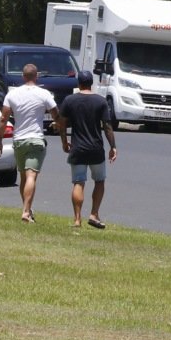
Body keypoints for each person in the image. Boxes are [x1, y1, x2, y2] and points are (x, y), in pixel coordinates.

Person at [0, 62, 59, 224]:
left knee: (23, 177)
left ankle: (27, 210)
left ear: (23, 76)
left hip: (19, 140)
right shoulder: (44, 94)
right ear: (37, 76)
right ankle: (25, 211)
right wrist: (58, 124)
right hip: (36, 139)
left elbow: (3, 119)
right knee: (31, 176)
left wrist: (0, 140)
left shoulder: (12, 94)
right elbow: (56, 114)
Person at [59, 71, 117, 229]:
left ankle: (77, 219)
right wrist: (113, 146)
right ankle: (94, 214)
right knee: (99, 181)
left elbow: (61, 124)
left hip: (77, 147)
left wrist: (64, 142)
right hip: (96, 148)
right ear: (91, 83)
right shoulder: (101, 101)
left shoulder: (69, 100)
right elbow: (107, 126)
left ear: (79, 83)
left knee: (79, 182)